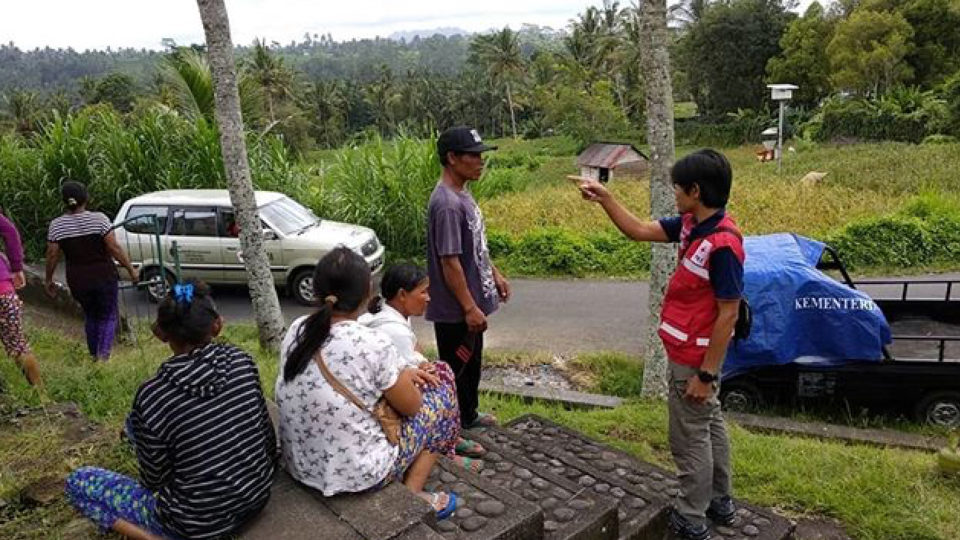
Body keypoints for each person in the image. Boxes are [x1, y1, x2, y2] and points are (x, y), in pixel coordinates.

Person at [577, 149, 745, 540]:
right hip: (690, 354)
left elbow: (729, 315)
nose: (674, 194)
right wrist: (607, 198)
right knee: (709, 426)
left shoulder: (723, 245)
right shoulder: (692, 225)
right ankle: (720, 501)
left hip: (696, 359)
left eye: (677, 188)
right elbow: (637, 230)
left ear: (696, 190)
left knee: (688, 439)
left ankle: (691, 518)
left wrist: (706, 374)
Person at [65, 281, 277, 540]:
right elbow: (267, 437)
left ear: (160, 334)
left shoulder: (153, 395)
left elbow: (153, 481)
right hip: (257, 498)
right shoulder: (242, 360)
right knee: (138, 424)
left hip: (195, 525)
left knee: (78, 481)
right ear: (217, 325)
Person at [277, 247, 460, 519]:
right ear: (366, 293)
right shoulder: (373, 343)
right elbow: (413, 407)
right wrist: (404, 381)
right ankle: (413, 495)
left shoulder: (298, 328)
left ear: (317, 291)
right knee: (441, 396)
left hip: (302, 465)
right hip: (358, 475)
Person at [360, 262, 484, 470]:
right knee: (441, 386)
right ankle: (446, 447)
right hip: (386, 404)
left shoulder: (387, 311)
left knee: (442, 371)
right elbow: (404, 380)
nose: (428, 298)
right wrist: (427, 370)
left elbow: (414, 348)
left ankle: (451, 436)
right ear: (402, 294)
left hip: (389, 387)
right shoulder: (393, 330)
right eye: (423, 292)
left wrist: (424, 363)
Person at [427, 126, 510, 432]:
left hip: (470, 303)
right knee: (458, 368)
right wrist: (469, 307)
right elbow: (449, 262)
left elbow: (474, 245)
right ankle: (456, 428)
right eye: (473, 156)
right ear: (452, 158)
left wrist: (494, 274)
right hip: (456, 310)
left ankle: (467, 416)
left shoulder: (462, 193)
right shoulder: (447, 204)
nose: (480, 161)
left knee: (471, 366)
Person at [45, 181, 138, 360]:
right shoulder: (100, 219)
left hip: (78, 279)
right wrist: (131, 270)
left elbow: (52, 255)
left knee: (90, 315)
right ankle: (103, 357)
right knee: (108, 315)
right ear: (86, 198)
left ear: (64, 202)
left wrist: (48, 279)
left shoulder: (57, 225)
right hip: (104, 275)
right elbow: (114, 248)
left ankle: (94, 354)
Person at [0, 210, 42, 386]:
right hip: (3, 291)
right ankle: (41, 394)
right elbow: (10, 231)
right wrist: (17, 267)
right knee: (17, 345)